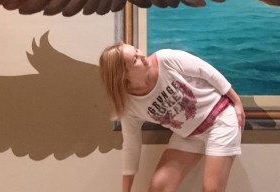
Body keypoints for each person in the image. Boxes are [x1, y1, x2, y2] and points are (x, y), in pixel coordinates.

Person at [99, 42, 245, 192]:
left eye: (137, 50)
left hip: (219, 118)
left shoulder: (165, 59)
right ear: (124, 75)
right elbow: (131, 147)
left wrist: (237, 101)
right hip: (189, 135)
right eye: (135, 59)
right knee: (158, 187)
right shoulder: (129, 106)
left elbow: (205, 70)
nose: (142, 55)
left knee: (211, 189)